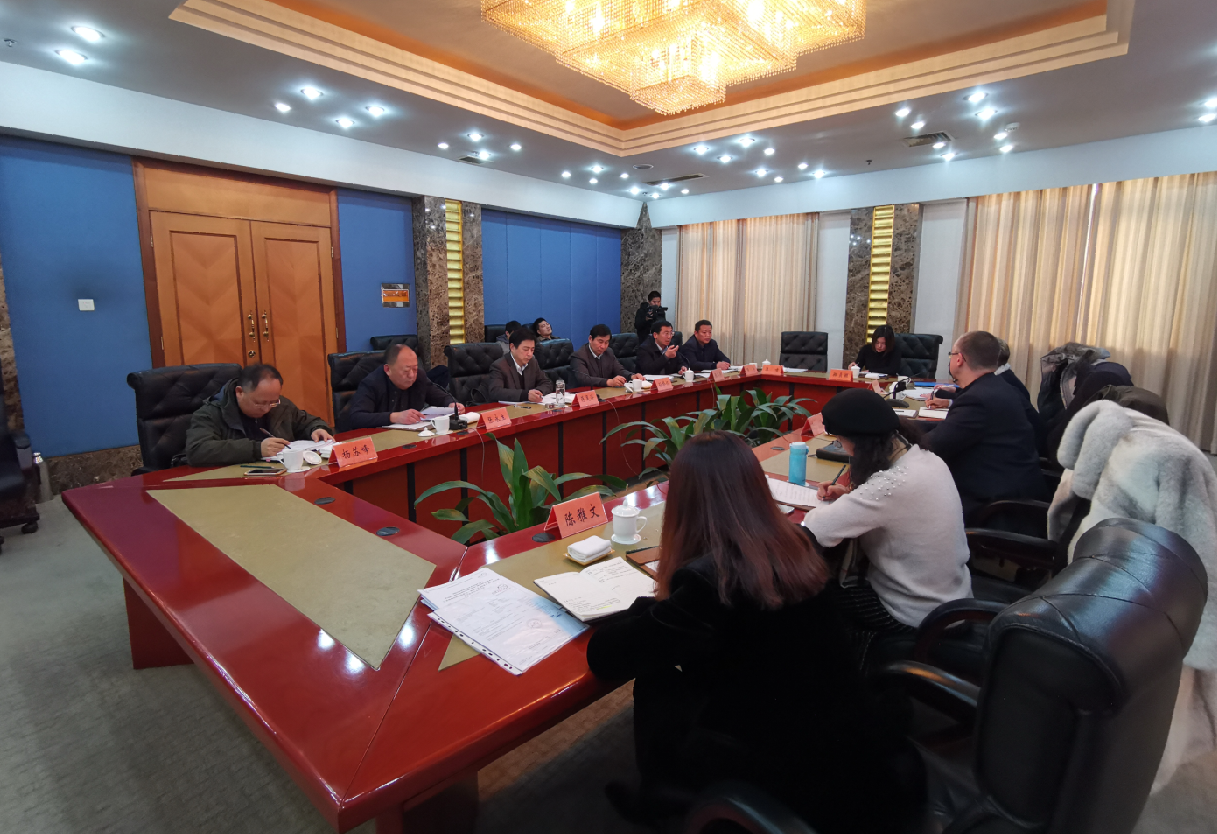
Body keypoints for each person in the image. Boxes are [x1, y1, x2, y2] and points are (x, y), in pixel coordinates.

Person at [587, 432, 923, 833]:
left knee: (655, 675)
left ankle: (661, 796)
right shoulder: (796, 542)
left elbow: (606, 656)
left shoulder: (712, 582)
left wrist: (644, 611)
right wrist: (659, 612)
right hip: (860, 754)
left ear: (683, 503)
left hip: (794, 781)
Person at [801, 389, 971, 668]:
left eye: (841, 442)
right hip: (953, 602)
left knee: (814, 593)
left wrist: (849, 503)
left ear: (860, 444)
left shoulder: (892, 485)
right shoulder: (924, 458)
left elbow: (816, 529)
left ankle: (843, 669)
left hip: (915, 613)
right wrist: (851, 496)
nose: (843, 449)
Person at [921, 330, 1048, 519]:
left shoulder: (977, 399)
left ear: (959, 359)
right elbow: (951, 429)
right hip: (1010, 490)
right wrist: (905, 426)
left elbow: (932, 446)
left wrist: (896, 442)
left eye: (951, 354)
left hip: (995, 509)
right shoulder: (996, 387)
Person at [182, 364, 332, 466]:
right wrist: (256, 449)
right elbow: (197, 450)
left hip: (280, 474)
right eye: (260, 403)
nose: (266, 409)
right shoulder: (210, 413)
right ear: (239, 392)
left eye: (272, 402)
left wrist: (317, 429)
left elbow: (306, 421)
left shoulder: (279, 405)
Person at [930, 337, 1045, 453]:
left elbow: (936, 444)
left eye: (951, 355)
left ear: (959, 359)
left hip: (1011, 458)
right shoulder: (998, 382)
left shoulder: (980, 397)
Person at [339, 342, 461, 432]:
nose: (412, 375)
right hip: (377, 439)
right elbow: (356, 418)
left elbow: (440, 397)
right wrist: (395, 417)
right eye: (406, 371)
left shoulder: (419, 377)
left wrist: (452, 404)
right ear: (388, 369)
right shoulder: (372, 383)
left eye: (415, 369)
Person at [487, 327, 555, 403]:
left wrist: (537, 392)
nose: (530, 354)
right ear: (512, 347)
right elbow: (495, 391)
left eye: (532, 350)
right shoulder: (499, 366)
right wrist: (525, 395)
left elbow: (547, 382)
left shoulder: (532, 361)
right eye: (526, 349)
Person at [572, 324, 642, 388]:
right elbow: (584, 379)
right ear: (590, 339)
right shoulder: (579, 356)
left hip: (606, 392)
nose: (603, 346)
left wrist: (632, 376)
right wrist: (609, 382)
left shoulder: (608, 352)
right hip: (585, 394)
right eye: (600, 342)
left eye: (606, 342)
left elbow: (619, 370)